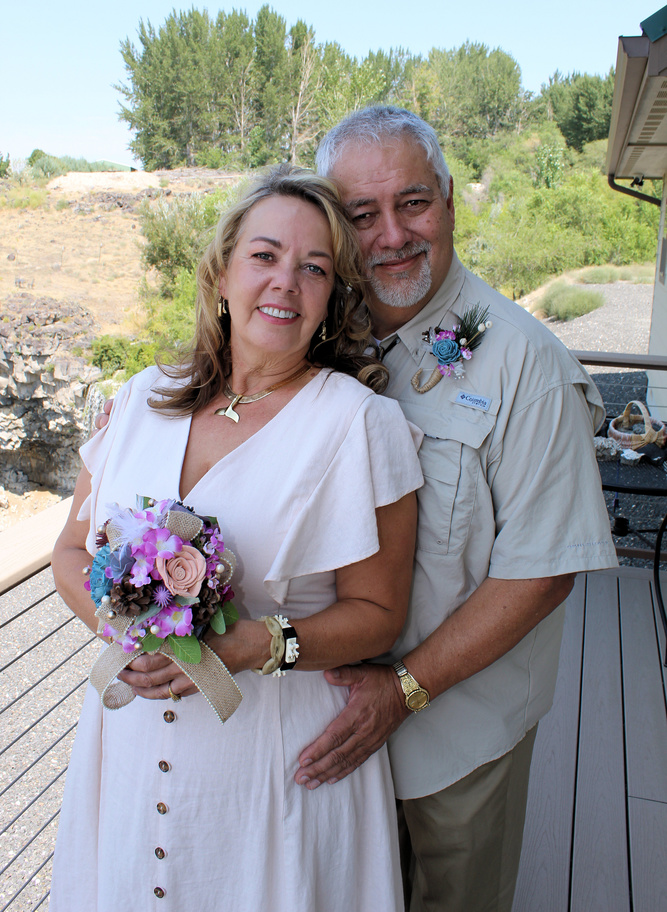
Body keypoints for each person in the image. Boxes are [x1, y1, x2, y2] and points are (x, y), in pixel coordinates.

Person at [50, 164, 423, 912]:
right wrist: (128, 629)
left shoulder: (358, 424)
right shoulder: (139, 399)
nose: (286, 281)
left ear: (329, 298)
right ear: (220, 273)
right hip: (124, 752)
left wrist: (255, 646)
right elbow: (70, 552)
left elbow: (379, 613)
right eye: (264, 256)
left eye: (313, 268)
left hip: (273, 770)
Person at [288, 107, 618, 912]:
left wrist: (399, 691)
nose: (392, 234)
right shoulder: (314, 345)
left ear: (448, 203)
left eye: (413, 202)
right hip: (324, 734)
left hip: (454, 741)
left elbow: (539, 575)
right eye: (361, 214)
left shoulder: (524, 365)